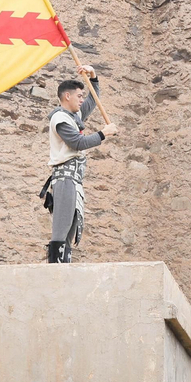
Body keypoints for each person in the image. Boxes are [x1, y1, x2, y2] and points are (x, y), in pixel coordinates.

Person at [39, 63, 116, 263]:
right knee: (61, 229)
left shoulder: (73, 116)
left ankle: (64, 267)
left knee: (70, 228)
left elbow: (93, 100)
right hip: (64, 178)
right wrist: (103, 134)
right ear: (67, 96)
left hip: (73, 180)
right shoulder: (60, 118)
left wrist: (93, 77)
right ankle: (56, 271)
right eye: (79, 96)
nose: (82, 100)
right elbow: (77, 142)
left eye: (82, 96)